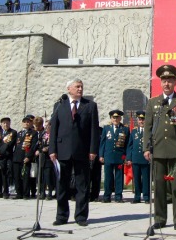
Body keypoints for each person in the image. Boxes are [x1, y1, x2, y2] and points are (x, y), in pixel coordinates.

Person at [143, 64, 176, 231]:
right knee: (158, 186)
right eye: (164, 80)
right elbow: (147, 128)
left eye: (170, 80)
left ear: (175, 82)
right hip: (157, 150)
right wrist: (146, 148)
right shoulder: (153, 102)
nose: (166, 83)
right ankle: (160, 219)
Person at [49, 78, 100, 227]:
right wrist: (52, 149)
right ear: (68, 89)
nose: (80, 89)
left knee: (82, 186)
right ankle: (62, 216)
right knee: (62, 185)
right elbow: (54, 130)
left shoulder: (90, 106)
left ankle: (81, 216)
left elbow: (93, 130)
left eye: (81, 87)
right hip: (62, 151)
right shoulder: (59, 106)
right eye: (77, 86)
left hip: (82, 151)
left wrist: (93, 150)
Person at [99, 109, 130, 203]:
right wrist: (101, 155)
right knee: (108, 177)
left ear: (120, 118)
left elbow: (128, 144)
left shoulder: (125, 129)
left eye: (117, 117)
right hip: (108, 156)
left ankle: (118, 196)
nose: (115, 119)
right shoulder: (106, 128)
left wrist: (126, 157)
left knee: (119, 177)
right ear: (111, 118)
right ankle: (107, 196)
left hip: (119, 157)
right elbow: (103, 142)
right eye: (113, 117)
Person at [126, 111, 150, 204]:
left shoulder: (149, 131)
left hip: (146, 159)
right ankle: (137, 196)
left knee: (146, 178)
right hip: (136, 158)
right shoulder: (134, 131)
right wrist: (129, 158)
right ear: (137, 120)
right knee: (136, 178)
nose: (141, 121)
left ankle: (146, 196)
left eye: (143, 119)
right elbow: (130, 146)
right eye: (140, 119)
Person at [12, 116, 38, 199]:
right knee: (17, 176)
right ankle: (18, 193)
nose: (26, 123)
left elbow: (33, 146)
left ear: (31, 123)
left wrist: (29, 156)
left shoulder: (33, 133)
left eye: (28, 122)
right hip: (17, 157)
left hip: (26, 157)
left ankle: (26, 194)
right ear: (22, 123)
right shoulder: (19, 133)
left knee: (25, 177)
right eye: (25, 122)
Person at [0, 117, 17, 199]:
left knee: (5, 174)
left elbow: (8, 144)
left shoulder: (12, 132)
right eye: (4, 123)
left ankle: (5, 192)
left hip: (6, 156)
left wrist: (0, 152)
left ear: (10, 123)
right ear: (1, 124)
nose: (5, 124)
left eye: (7, 123)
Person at [37, 119, 55, 200]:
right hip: (42, 158)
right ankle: (42, 192)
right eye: (46, 126)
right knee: (42, 176)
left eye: (48, 126)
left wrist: (47, 148)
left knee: (48, 177)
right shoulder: (43, 135)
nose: (46, 127)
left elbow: (54, 145)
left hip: (49, 159)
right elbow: (39, 144)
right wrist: (38, 149)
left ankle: (50, 193)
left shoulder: (53, 135)